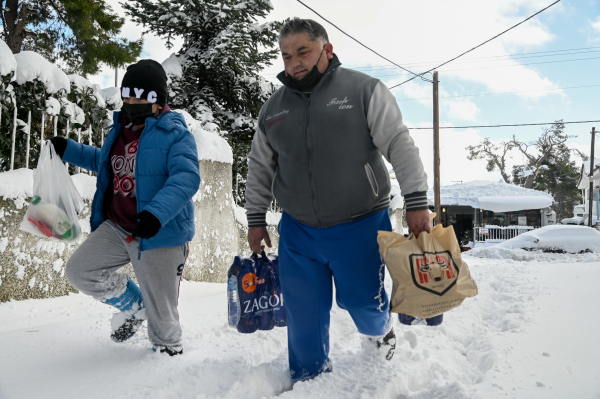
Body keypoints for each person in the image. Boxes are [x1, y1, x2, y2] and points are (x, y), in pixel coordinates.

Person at [244, 18, 431, 382]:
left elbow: (398, 143)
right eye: (286, 55)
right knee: (303, 314)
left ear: (326, 50)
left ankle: (379, 333)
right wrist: (255, 217)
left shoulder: (364, 90)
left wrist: (417, 201)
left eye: (303, 51)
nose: (294, 61)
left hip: (361, 224)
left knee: (364, 304)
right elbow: (260, 166)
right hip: (298, 230)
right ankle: (308, 378)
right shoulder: (273, 109)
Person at [50, 60, 200, 356]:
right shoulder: (119, 129)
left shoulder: (176, 134)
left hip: (160, 233)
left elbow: (186, 177)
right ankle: (136, 305)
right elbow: (105, 163)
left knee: (164, 323)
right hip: (118, 226)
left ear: (158, 100)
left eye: (139, 97)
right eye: (127, 96)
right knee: (80, 270)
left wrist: (157, 213)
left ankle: (169, 360)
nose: (131, 103)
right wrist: (68, 149)